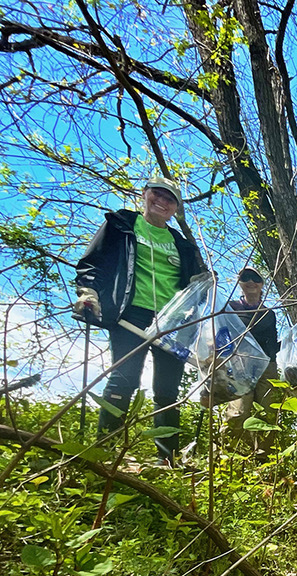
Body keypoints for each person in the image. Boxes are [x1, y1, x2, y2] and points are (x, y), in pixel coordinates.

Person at [73, 175, 205, 465]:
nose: (162, 201)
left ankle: (167, 458)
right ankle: (106, 450)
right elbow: (93, 262)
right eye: (157, 194)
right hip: (130, 314)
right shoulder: (122, 225)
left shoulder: (181, 244)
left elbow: (196, 285)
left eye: (170, 199)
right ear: (144, 194)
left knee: (168, 389)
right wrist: (89, 292)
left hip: (173, 321)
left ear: (176, 208)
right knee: (124, 377)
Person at [216, 267, 279, 452]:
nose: (251, 281)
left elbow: (272, 342)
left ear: (262, 284)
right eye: (245, 277)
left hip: (267, 366)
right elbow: (220, 337)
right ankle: (227, 456)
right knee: (239, 411)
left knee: (268, 411)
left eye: (255, 278)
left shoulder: (269, 313)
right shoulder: (230, 308)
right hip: (239, 366)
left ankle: (262, 457)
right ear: (239, 282)